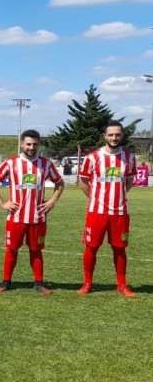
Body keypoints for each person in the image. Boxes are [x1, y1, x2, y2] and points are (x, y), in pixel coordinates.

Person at [0, 130, 64, 295]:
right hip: (16, 217)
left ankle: (39, 283)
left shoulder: (46, 164)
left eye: (35, 144)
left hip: (38, 217)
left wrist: (52, 201)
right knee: (12, 249)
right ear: (21, 144)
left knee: (36, 250)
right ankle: (6, 282)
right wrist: (2, 203)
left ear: (39, 145)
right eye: (28, 144)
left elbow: (59, 183)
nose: (31, 147)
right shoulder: (11, 163)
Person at [78, 121, 136, 297]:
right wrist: (96, 198)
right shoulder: (92, 157)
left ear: (122, 136)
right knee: (91, 247)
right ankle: (87, 284)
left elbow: (129, 181)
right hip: (97, 212)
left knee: (119, 248)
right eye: (110, 135)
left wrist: (118, 196)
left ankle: (122, 285)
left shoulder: (129, 157)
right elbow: (83, 182)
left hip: (120, 212)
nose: (114, 137)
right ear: (105, 136)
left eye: (117, 134)